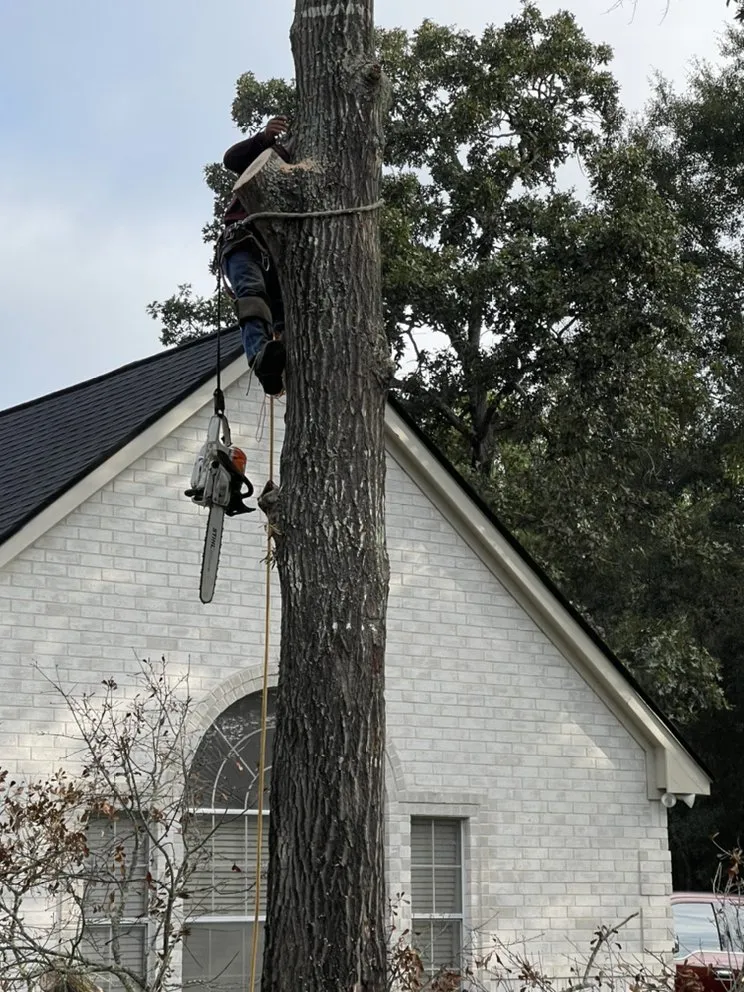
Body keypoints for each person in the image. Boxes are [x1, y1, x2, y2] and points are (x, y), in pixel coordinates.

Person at [220, 116, 290, 396]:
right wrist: (263, 138)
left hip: (278, 252)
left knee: (284, 308)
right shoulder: (271, 155)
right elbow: (231, 159)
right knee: (251, 294)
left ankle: (280, 360)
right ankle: (260, 356)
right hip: (244, 240)